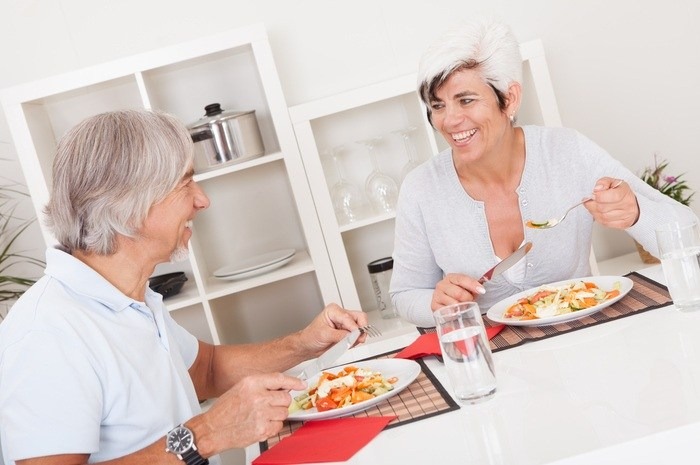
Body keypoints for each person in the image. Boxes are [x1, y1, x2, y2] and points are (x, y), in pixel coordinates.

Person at [0, 110, 369, 464]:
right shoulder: (46, 334)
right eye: (184, 183)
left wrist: (303, 343)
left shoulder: (130, 296)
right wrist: (207, 434)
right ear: (128, 204)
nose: (202, 200)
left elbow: (205, 371)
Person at [390, 18, 698, 328]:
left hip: (585, 341)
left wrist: (636, 213)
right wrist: (435, 302)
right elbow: (405, 293)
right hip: (491, 356)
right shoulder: (421, 188)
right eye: (438, 105)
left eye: (466, 100)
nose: (450, 120)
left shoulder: (566, 151)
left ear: (509, 99)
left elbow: (686, 233)